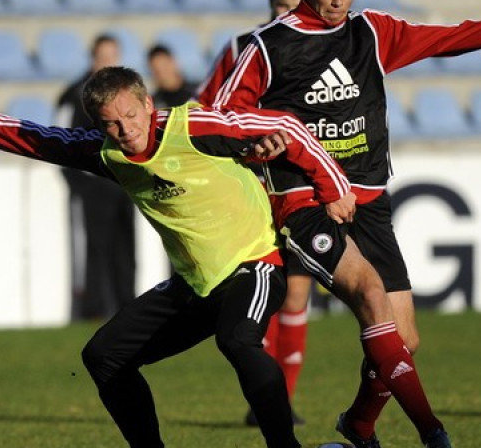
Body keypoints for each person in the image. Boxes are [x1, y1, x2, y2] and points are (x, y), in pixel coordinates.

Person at [204, 0, 481, 446]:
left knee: (404, 339)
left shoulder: (373, 31)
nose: (336, 1)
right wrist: (256, 145)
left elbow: (456, 38)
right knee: (369, 293)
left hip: (368, 199)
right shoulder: (269, 46)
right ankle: (433, 433)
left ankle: (359, 424)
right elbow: (222, 115)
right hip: (306, 200)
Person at [0, 66, 355, 448]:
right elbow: (35, 138)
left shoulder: (195, 128)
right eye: (111, 123)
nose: (126, 130)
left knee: (237, 340)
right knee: (104, 356)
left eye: (131, 115)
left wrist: (334, 189)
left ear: (147, 103)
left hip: (255, 263)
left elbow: (287, 127)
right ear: (98, 125)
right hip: (196, 283)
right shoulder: (105, 153)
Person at [198, 0, 310, 428]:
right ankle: (263, 399)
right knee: (262, 292)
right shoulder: (242, 47)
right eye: (281, 5)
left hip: (298, 184)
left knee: (297, 294)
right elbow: (206, 108)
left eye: (294, 5)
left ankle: (285, 399)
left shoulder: (324, 45)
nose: (287, 13)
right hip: (252, 189)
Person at [56, 33, 136, 321]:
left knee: (126, 250)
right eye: (103, 56)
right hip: (91, 188)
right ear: (93, 57)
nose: (107, 62)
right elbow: (59, 138)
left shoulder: (125, 95)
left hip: (122, 185)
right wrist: (78, 183)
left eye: (112, 56)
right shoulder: (74, 94)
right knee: (93, 249)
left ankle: (127, 309)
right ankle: (92, 310)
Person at [146, 44, 199, 109]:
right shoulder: (153, 104)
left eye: (165, 67)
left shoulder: (198, 91)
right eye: (157, 71)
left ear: (174, 62)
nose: (163, 74)